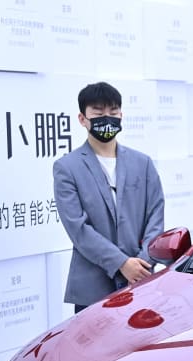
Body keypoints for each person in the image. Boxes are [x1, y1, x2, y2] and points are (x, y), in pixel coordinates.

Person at [53, 82, 165, 314]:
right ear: (82, 119)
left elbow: (155, 216)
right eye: (98, 113)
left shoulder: (142, 163)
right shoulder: (67, 167)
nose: (107, 118)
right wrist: (121, 263)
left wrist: (142, 264)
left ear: (121, 115)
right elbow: (78, 229)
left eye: (113, 112)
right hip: (92, 289)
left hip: (141, 282)